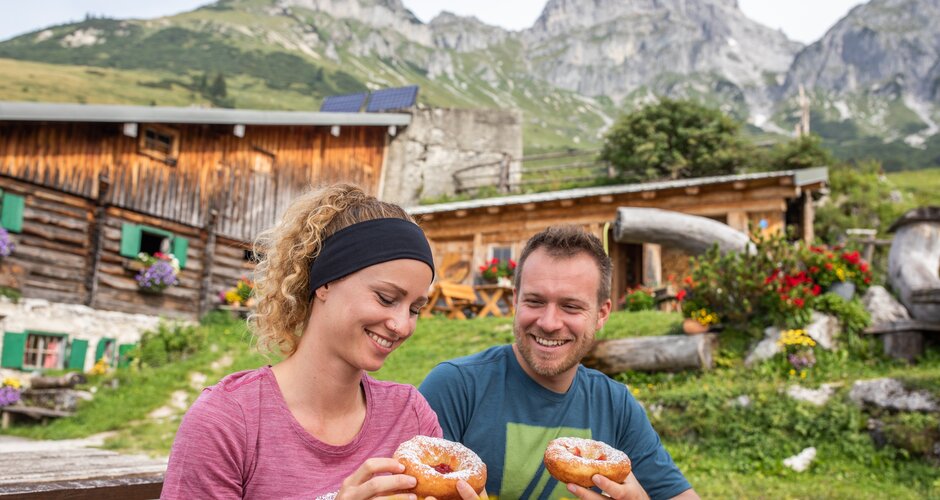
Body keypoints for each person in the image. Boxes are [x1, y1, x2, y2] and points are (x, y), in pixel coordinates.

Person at [162, 184, 479, 499]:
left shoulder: (410, 414)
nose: (401, 325)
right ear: (325, 282)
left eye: (415, 309)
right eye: (386, 298)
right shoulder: (228, 420)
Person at [420, 225, 699, 500]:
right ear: (516, 300)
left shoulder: (615, 404)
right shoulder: (456, 387)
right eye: (535, 301)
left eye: (571, 306)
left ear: (602, 314)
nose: (549, 323)